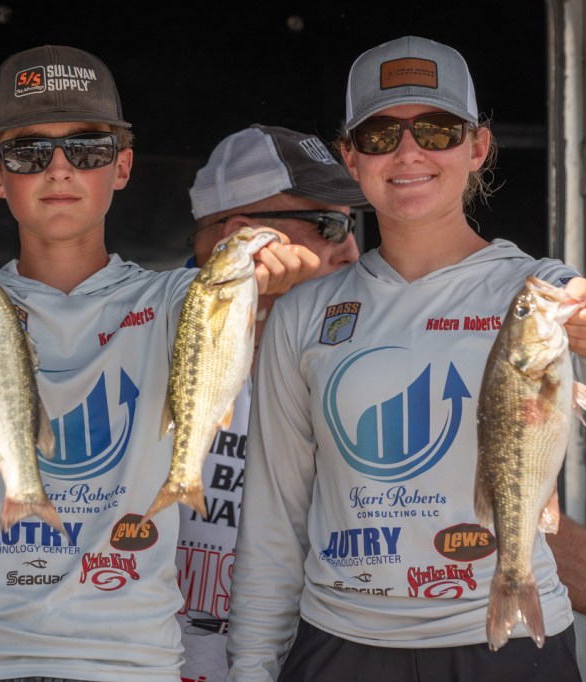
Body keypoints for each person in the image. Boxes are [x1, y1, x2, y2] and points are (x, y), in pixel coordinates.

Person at [0, 44, 319, 682]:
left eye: (88, 149)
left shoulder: (176, 300)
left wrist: (270, 276)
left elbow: (232, 302)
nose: (59, 169)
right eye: (28, 152)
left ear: (122, 166)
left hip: (132, 665)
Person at [224, 35, 586, 681]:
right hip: (340, 641)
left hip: (509, 642)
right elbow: (274, 520)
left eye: (436, 130)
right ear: (351, 157)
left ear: (477, 147)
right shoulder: (305, 312)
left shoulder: (537, 288)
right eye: (380, 135)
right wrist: (251, 668)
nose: (409, 152)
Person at [178, 123, 365, 682]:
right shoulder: (137, 329)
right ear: (241, 233)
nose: (352, 250)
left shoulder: (358, 351)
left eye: (354, 225)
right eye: (330, 225)